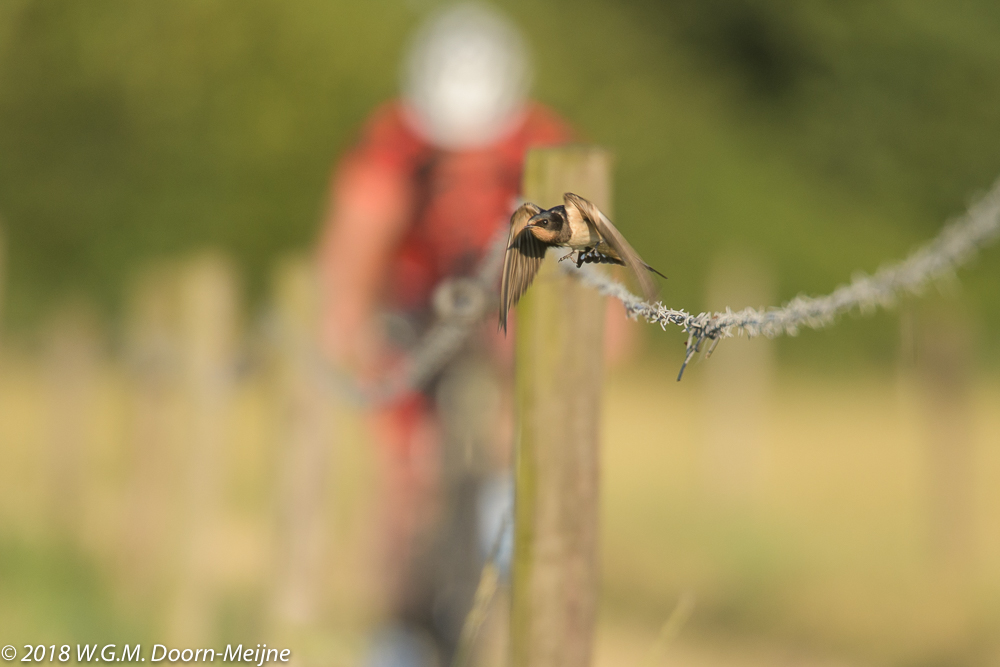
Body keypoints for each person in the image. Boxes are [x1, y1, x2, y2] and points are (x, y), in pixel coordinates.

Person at [317, 4, 574, 665]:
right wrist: (356, 347)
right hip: (414, 316)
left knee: (516, 467)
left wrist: (533, 388)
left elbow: (591, 292)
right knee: (408, 477)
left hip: (514, 313)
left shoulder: (546, 147)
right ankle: (399, 631)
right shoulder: (394, 142)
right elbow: (351, 255)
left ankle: (505, 603)